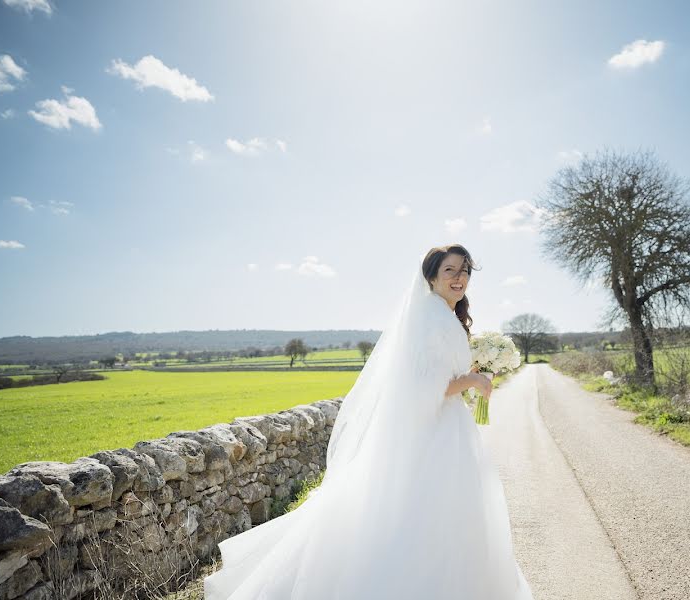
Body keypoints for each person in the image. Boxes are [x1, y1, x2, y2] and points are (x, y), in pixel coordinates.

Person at [204, 244, 533, 599]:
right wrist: (472, 381)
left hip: (447, 428)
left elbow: (438, 377)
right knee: (422, 520)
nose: (459, 277)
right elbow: (421, 387)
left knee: (450, 522)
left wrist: (472, 374)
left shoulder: (444, 315)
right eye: (450, 270)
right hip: (431, 434)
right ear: (432, 276)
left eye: (465, 270)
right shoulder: (429, 317)